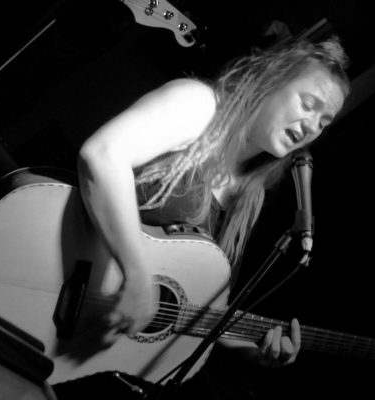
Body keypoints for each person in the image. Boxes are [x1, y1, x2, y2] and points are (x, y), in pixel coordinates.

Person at [75, 35, 350, 384]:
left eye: (324, 122)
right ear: (271, 79)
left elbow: (194, 305)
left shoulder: (252, 195)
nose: (312, 127)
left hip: (92, 348)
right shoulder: (198, 105)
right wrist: (137, 274)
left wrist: (250, 349)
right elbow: (103, 154)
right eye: (308, 104)